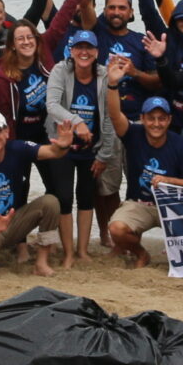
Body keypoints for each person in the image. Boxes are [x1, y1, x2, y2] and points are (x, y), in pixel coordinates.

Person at [0, 110, 71, 275]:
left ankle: (41, 263)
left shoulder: (18, 148)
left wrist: (64, 144)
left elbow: (53, 152)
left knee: (51, 202)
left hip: (12, 222)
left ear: (6, 132)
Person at [47, 30, 124, 258]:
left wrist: (104, 155)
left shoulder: (104, 75)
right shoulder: (60, 70)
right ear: (71, 51)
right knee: (64, 198)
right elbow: (52, 105)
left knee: (86, 197)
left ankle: (82, 250)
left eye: (89, 48)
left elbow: (110, 117)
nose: (84, 52)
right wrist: (77, 122)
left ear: (97, 52)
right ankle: (68, 252)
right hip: (63, 146)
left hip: (91, 149)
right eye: (79, 47)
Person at [108, 96, 183, 267]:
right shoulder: (133, 134)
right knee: (116, 229)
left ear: (169, 120)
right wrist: (112, 86)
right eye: (151, 118)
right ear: (142, 118)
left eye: (161, 118)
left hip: (171, 206)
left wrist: (169, 180)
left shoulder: (180, 144)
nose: (156, 124)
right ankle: (141, 254)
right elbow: (114, 115)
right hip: (140, 204)